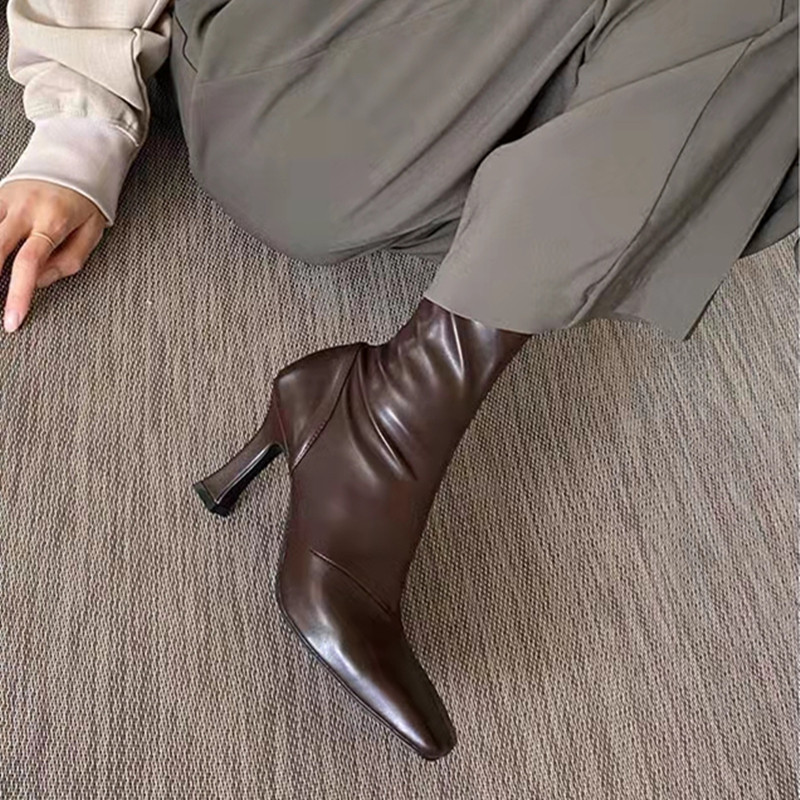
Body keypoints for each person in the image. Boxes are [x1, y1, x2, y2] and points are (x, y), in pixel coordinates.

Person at [1, 0, 796, 760]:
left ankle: (384, 409)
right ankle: (385, 424)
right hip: (322, 83)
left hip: (506, 118)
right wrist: (76, 130)